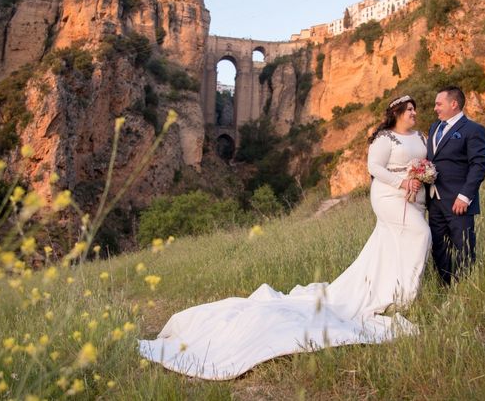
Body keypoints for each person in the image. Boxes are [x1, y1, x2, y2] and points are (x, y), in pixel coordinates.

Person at [137, 95, 432, 380]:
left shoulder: (419, 137)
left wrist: (425, 176)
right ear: (396, 113)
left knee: (390, 247)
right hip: (390, 196)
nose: (414, 113)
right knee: (420, 235)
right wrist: (402, 179)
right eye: (408, 109)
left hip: (415, 198)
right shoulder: (384, 140)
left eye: (414, 109)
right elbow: (374, 168)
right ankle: (404, 294)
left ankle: (392, 291)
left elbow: (425, 162)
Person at [426, 86, 485, 285]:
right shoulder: (434, 128)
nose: (435, 108)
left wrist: (465, 196)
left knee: (464, 247)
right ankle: (444, 287)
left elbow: (479, 165)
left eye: (439, 104)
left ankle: (465, 289)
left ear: (453, 104)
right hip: (434, 201)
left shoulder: (473, 130)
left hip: (458, 201)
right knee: (439, 248)